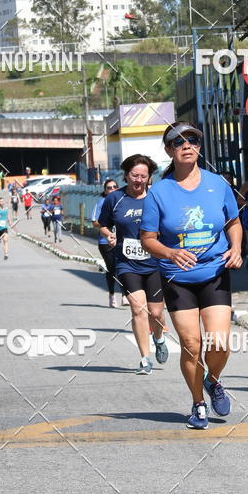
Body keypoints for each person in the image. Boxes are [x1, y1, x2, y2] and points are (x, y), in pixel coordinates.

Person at [141, 122, 242, 429]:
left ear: (199, 146)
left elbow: (233, 222)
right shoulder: (158, 193)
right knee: (191, 344)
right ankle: (198, 403)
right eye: (178, 141)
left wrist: (236, 247)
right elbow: (148, 239)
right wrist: (170, 253)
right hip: (177, 277)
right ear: (169, 150)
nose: (186, 145)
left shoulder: (218, 184)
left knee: (220, 341)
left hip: (215, 271)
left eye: (193, 140)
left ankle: (213, 380)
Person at [98, 155, 169, 374]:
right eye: (134, 175)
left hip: (155, 263)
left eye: (143, 176)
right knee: (138, 308)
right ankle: (145, 358)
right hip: (127, 263)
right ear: (126, 175)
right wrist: (109, 234)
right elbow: (103, 223)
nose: (138, 180)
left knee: (156, 313)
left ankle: (158, 338)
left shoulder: (157, 197)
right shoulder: (115, 199)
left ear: (150, 178)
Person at [92, 178, 119, 307]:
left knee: (124, 268)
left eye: (114, 187)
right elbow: (95, 222)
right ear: (105, 190)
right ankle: (112, 294)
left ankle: (126, 295)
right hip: (105, 241)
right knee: (112, 269)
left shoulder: (123, 201)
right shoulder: (101, 203)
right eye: (109, 187)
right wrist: (108, 224)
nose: (112, 189)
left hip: (123, 240)